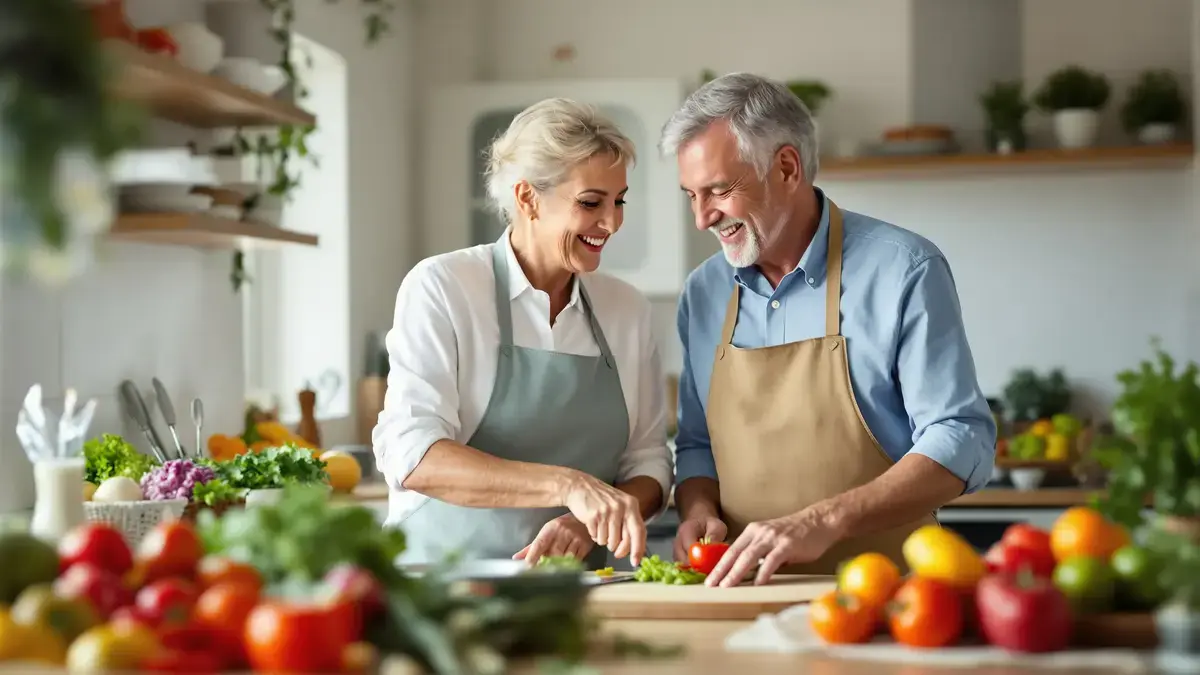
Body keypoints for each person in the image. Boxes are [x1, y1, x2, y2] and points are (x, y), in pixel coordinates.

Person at [659, 73, 997, 587]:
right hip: (739, 598)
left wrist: (824, 520)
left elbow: (960, 437)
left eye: (719, 191)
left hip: (890, 600)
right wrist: (698, 507)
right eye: (691, 195)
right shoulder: (704, 292)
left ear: (787, 167)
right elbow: (696, 444)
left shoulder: (904, 269)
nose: (703, 218)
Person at [372, 98, 673, 569]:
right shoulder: (444, 287)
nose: (612, 223)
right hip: (445, 581)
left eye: (619, 202)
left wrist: (589, 519)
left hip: (582, 586)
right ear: (527, 198)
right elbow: (414, 455)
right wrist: (569, 486)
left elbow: (649, 462)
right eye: (591, 203)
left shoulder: (626, 310)